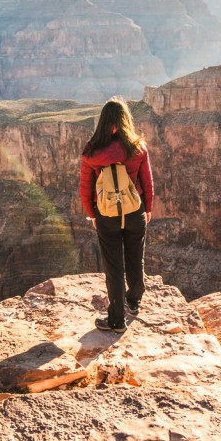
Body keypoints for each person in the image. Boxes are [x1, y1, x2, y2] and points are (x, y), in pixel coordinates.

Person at [79, 98, 154, 333]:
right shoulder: (137, 147)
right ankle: (134, 301)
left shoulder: (92, 152)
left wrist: (92, 214)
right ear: (125, 120)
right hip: (134, 211)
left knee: (114, 266)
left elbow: (86, 188)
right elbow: (147, 182)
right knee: (135, 258)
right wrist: (148, 208)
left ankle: (116, 320)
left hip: (107, 215)